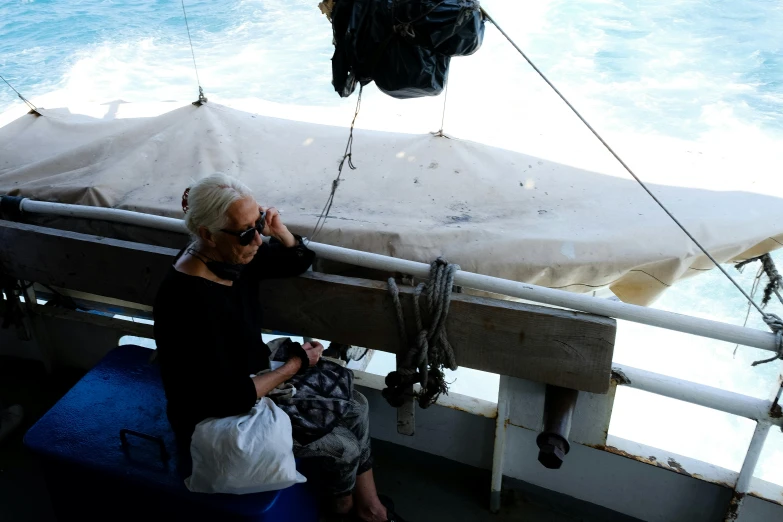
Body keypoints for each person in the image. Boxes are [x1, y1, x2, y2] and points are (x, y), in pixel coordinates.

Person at [153, 173, 404, 522]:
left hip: (249, 379)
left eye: (257, 223)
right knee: (344, 446)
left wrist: (277, 230)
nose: (257, 239)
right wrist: (297, 363)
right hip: (216, 417)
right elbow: (227, 397)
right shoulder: (190, 302)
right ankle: (343, 510)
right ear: (207, 234)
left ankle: (369, 508)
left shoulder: (228, 255)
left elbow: (296, 259)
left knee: (357, 404)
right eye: (246, 231)